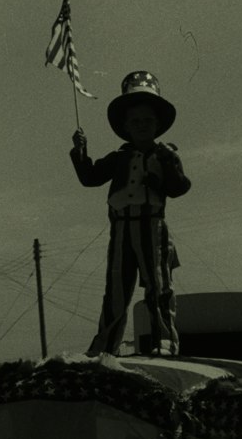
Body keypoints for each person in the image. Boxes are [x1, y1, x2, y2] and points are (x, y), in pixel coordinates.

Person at [70, 70, 191, 357]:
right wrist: (81, 151)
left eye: (147, 121)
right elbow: (90, 177)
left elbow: (180, 187)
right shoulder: (119, 157)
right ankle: (106, 346)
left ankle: (165, 341)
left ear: (158, 125)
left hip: (152, 227)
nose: (141, 126)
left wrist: (162, 179)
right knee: (116, 288)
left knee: (158, 285)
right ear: (125, 126)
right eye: (135, 121)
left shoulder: (165, 156)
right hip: (121, 228)